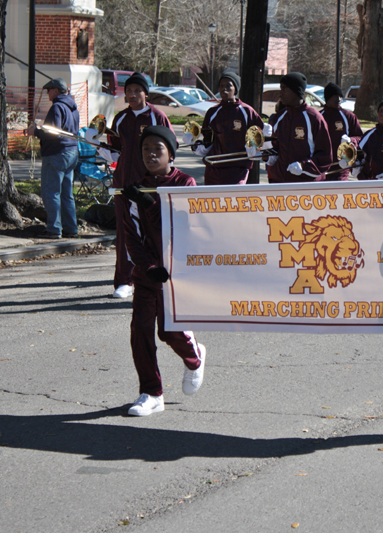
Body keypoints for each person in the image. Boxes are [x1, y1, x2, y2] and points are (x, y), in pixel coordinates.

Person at [118, 125, 206, 416]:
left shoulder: (185, 183)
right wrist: (148, 267)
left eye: (158, 149)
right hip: (148, 274)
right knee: (140, 331)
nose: (151, 154)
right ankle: (151, 393)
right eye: (146, 149)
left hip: (178, 274)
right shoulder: (135, 187)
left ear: (171, 154)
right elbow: (131, 236)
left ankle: (194, 357)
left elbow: (183, 225)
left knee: (169, 332)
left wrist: (149, 202)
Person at [108, 72, 172, 299]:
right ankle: (124, 281)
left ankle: (157, 275)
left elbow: (170, 149)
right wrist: (100, 146)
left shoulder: (157, 116)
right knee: (126, 234)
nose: (133, 95)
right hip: (124, 185)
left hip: (149, 186)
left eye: (137, 91)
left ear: (146, 93)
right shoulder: (121, 118)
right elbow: (115, 150)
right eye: (129, 91)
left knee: (153, 232)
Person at [25, 78, 80, 240]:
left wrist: (35, 132)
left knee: (51, 192)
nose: (48, 93)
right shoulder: (73, 107)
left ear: (56, 91)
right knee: (66, 194)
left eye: (49, 90)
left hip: (56, 153)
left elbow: (53, 133)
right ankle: (71, 228)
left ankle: (54, 229)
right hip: (71, 151)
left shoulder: (57, 107)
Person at [195, 71, 264, 185]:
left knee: (232, 196)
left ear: (235, 90)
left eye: (228, 86)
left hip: (237, 167)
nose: (224, 89)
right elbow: (207, 139)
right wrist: (197, 146)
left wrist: (254, 149)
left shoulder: (247, 111)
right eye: (221, 86)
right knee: (212, 196)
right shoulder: (213, 112)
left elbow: (259, 136)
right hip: (214, 167)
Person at [264, 72, 332, 182]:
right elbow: (275, 151)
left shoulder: (314, 118)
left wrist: (303, 166)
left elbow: (325, 156)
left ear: (296, 91)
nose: (280, 93)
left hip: (306, 184)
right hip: (280, 182)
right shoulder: (279, 117)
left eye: (284, 89)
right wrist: (263, 152)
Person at [320, 82, 364, 181]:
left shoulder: (348, 116)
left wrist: (350, 140)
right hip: (322, 166)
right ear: (328, 98)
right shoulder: (319, 116)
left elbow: (360, 137)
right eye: (335, 96)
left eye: (340, 96)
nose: (339, 99)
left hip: (342, 166)